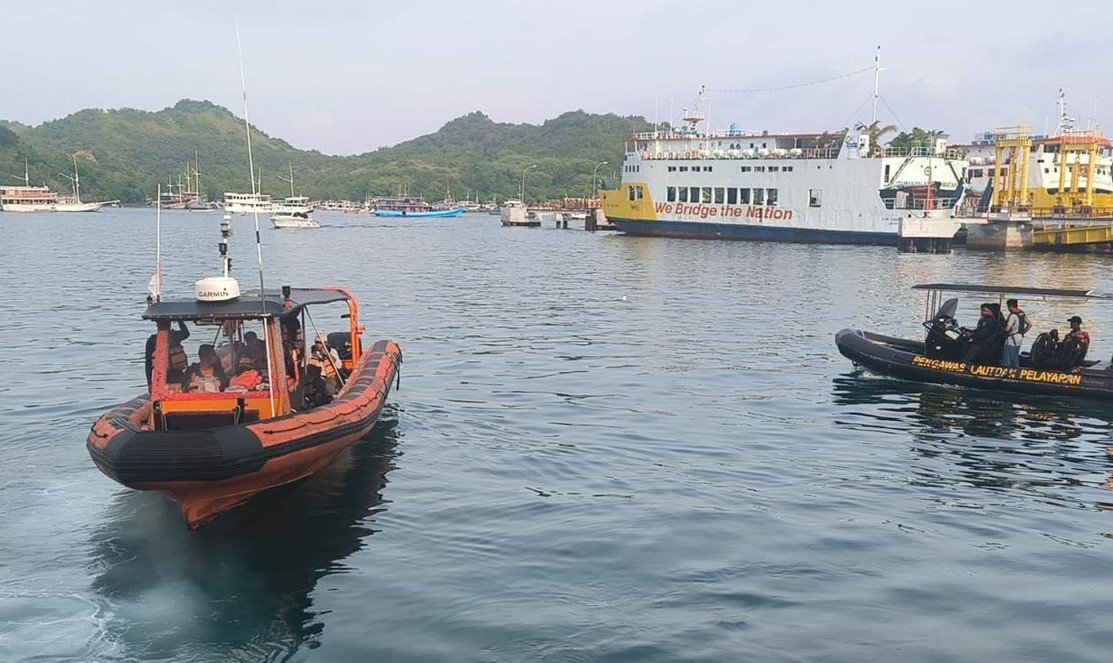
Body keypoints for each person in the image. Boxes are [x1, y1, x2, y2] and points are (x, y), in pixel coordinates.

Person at [145, 320, 190, 389]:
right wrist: (149, 383)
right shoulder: (152, 341)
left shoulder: (175, 335)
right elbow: (148, 363)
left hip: (178, 374)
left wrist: (179, 320)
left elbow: (186, 333)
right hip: (162, 376)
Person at [307, 333, 343, 398]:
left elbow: (339, 366)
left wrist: (328, 355)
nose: (318, 344)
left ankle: (330, 399)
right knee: (317, 386)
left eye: (320, 342)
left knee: (329, 387)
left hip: (330, 376)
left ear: (325, 343)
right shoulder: (310, 353)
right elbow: (305, 365)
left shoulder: (332, 351)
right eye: (317, 342)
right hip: (316, 376)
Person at [1000, 298, 1028, 368]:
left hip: (1011, 339)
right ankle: (1016, 370)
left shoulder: (1012, 316)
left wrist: (1001, 328)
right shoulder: (1022, 314)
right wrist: (1022, 332)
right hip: (1019, 338)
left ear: (1010, 306)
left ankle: (1007, 372)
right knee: (1015, 357)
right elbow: (1029, 325)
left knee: (1007, 358)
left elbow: (1007, 329)